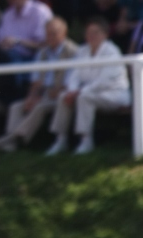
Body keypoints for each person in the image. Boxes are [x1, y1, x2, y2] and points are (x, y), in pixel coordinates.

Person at [0, 16, 77, 152]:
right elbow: (36, 81)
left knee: (40, 107)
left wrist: (52, 93)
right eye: (48, 33)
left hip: (61, 94)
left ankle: (11, 139)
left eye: (54, 33)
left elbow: (72, 81)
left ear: (64, 33)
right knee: (17, 106)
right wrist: (32, 97)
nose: (50, 36)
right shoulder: (43, 52)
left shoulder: (73, 51)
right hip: (44, 94)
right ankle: (10, 145)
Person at [46, 17, 130, 155]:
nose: (91, 36)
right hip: (89, 93)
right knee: (63, 96)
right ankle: (60, 140)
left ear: (105, 34)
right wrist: (71, 91)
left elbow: (104, 82)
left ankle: (86, 140)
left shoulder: (112, 51)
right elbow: (74, 75)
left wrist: (78, 92)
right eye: (89, 32)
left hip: (114, 94)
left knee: (85, 97)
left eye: (95, 32)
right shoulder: (82, 51)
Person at [0, 0, 52, 104]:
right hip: (8, 63)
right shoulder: (8, 14)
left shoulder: (41, 12)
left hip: (33, 63)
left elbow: (47, 44)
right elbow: (0, 43)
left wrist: (19, 42)